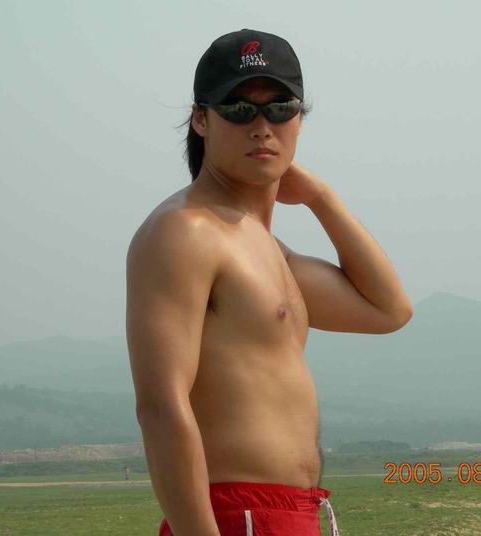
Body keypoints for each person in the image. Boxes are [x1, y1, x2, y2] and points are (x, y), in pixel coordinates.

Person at [126, 28, 413, 536]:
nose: (262, 127)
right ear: (200, 119)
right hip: (236, 516)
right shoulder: (186, 231)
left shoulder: (268, 250)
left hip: (292, 513)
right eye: (239, 109)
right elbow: (160, 406)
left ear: (299, 118)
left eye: (280, 108)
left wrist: (320, 197)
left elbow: (389, 310)